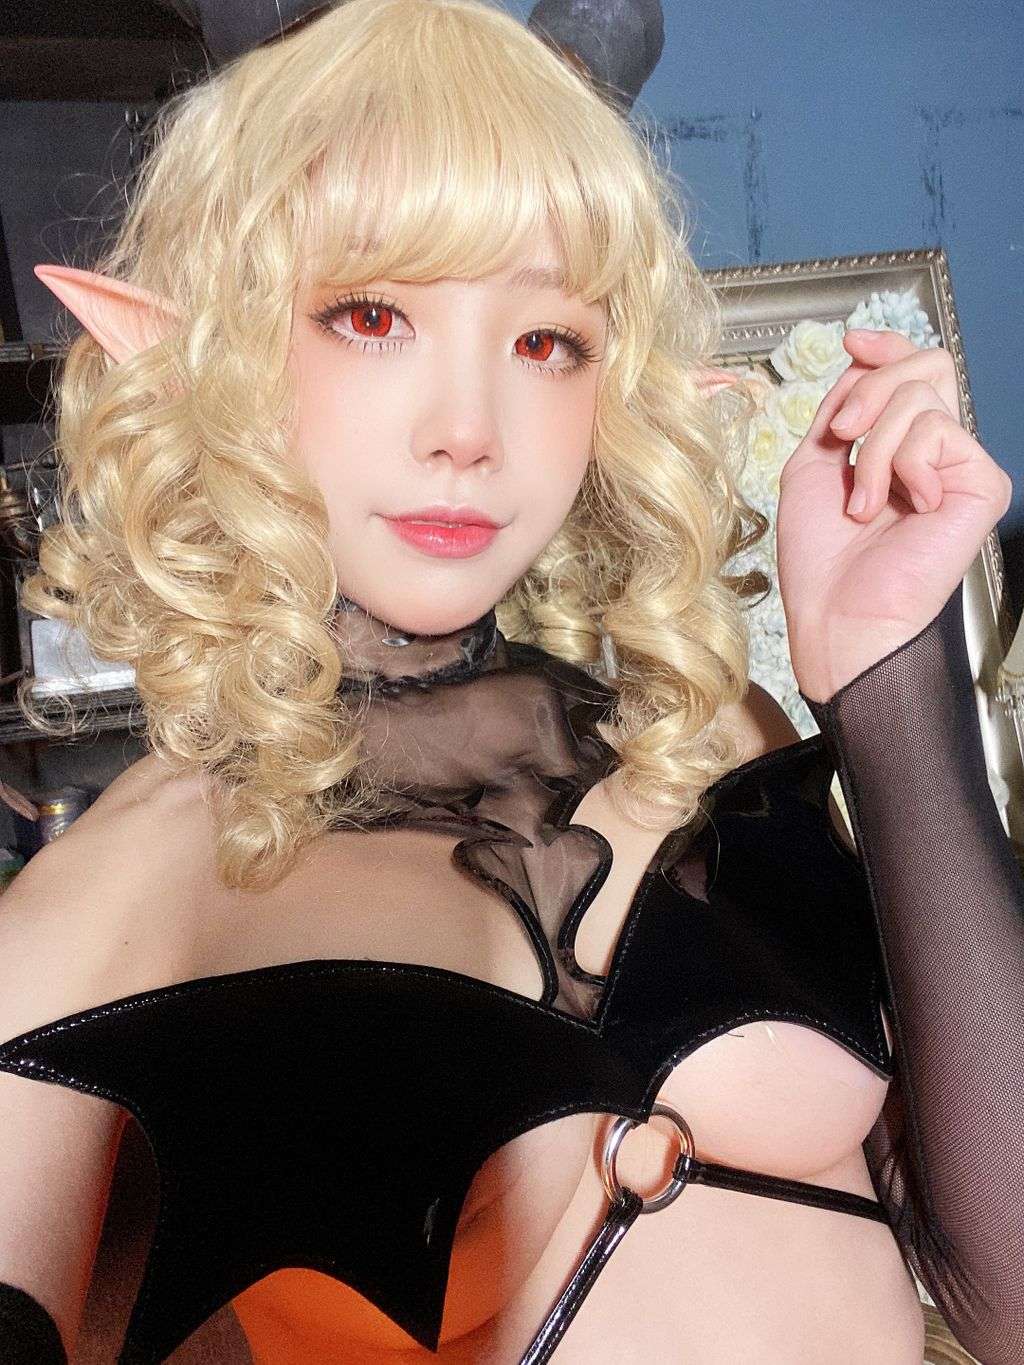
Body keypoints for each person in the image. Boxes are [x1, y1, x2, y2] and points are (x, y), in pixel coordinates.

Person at [0, 0, 1021, 1361]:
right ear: (214, 350)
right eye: (373, 315)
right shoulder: (113, 904)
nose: (470, 432)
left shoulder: (708, 733)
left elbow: (1005, 1296)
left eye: (546, 342)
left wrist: (895, 675)